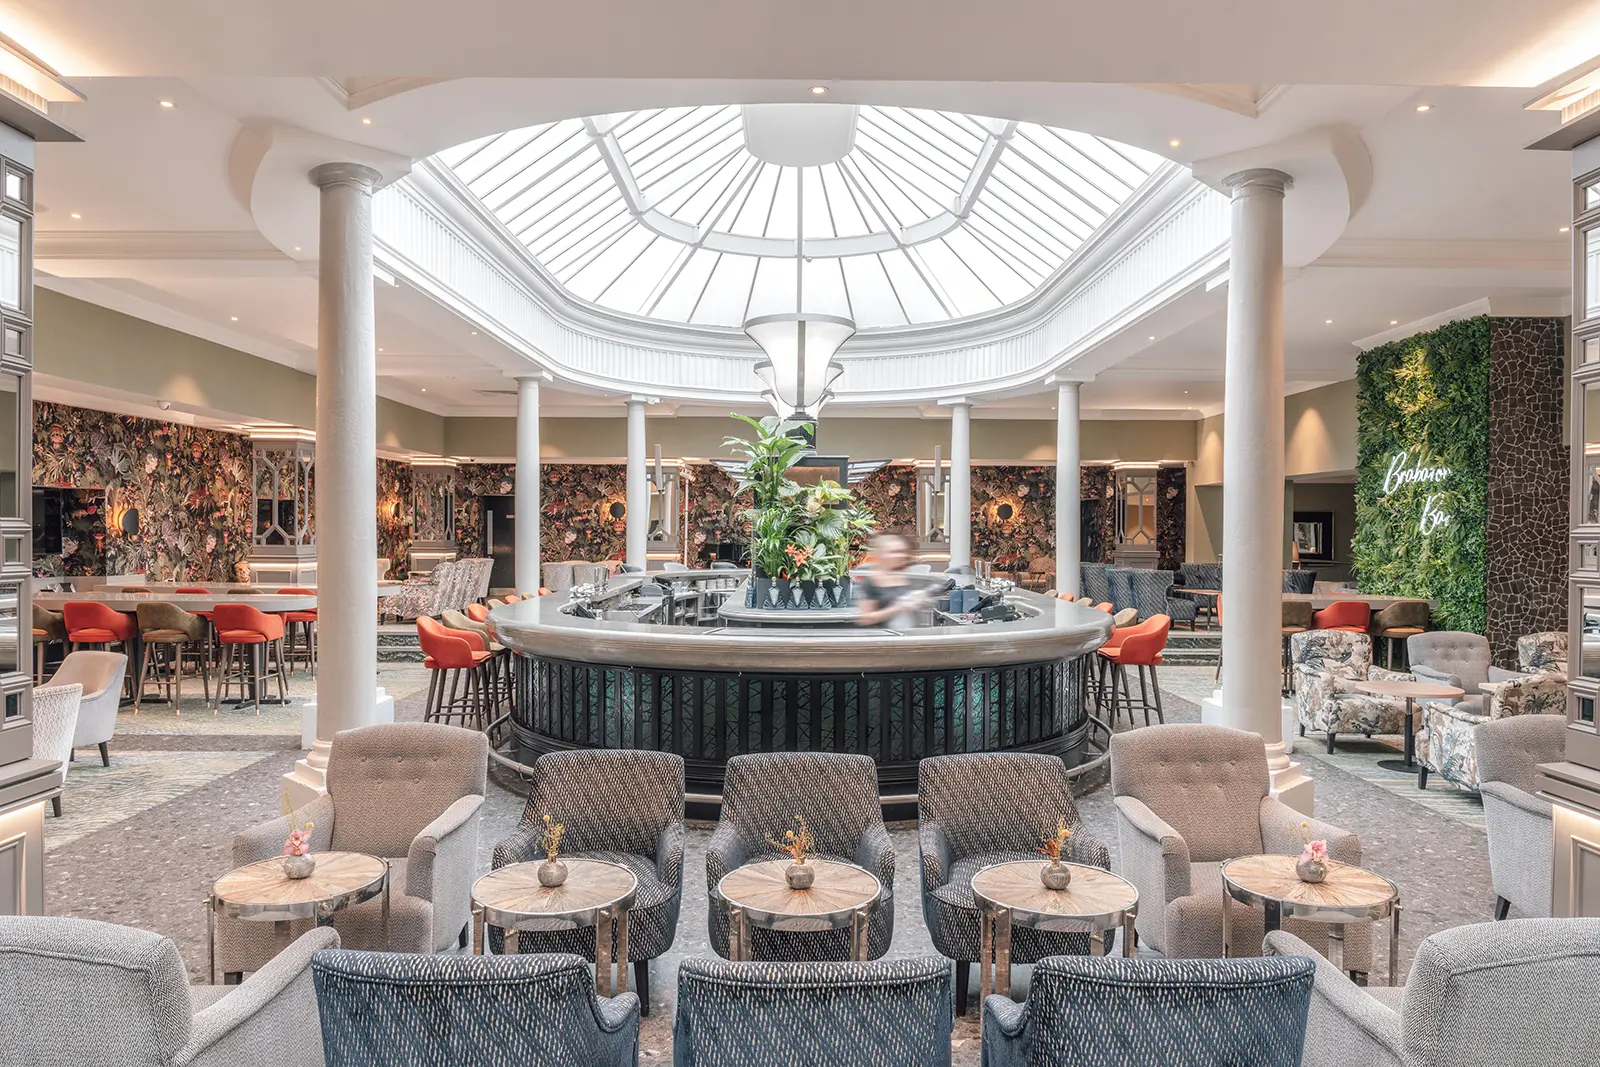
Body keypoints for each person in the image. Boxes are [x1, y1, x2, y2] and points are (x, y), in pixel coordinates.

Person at [855, 534, 930, 629]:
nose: (900, 556)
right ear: (881, 555)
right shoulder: (872, 581)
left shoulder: (907, 577)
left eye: (902, 551)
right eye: (894, 552)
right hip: (882, 639)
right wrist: (896, 608)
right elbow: (865, 618)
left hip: (907, 637)